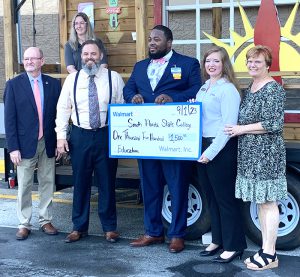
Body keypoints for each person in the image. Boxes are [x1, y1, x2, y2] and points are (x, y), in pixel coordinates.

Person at [123, 25, 201, 253]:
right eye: (149, 39)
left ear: (169, 42)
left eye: (157, 39)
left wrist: (173, 97)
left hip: (173, 139)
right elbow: (128, 90)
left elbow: (197, 89)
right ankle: (153, 232)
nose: (152, 43)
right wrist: (133, 97)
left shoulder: (188, 64)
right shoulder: (139, 67)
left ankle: (177, 235)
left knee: (177, 186)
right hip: (147, 139)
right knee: (149, 187)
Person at [224, 45, 287, 270]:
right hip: (251, 154)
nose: (252, 64)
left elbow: (274, 124)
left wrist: (241, 129)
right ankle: (264, 249)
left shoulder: (273, 89)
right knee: (261, 203)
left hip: (266, 154)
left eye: (257, 62)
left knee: (268, 203)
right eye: (250, 61)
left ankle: (270, 255)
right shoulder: (251, 86)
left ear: (268, 65)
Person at [56, 39, 124, 243]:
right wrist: (61, 136)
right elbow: (63, 108)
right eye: (85, 54)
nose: (89, 58)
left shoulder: (114, 78)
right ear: (80, 57)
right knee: (80, 183)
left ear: (101, 56)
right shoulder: (72, 79)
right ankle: (79, 227)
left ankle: (109, 228)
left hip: (105, 134)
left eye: (93, 54)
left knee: (107, 183)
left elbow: (122, 107)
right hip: (80, 135)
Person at [195, 46, 247, 263]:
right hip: (204, 147)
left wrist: (211, 153)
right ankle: (217, 240)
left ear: (224, 64)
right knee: (211, 199)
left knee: (225, 200)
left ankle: (234, 245)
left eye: (216, 61)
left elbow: (228, 126)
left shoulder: (228, 90)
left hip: (221, 150)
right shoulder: (204, 87)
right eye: (208, 61)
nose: (211, 65)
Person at [4, 47, 61, 240]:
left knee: (47, 181)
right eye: (26, 59)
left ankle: (46, 220)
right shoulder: (13, 85)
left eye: (33, 58)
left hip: (48, 141)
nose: (28, 62)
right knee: (25, 184)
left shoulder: (53, 84)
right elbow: (9, 119)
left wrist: (59, 140)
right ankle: (24, 223)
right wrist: (13, 148)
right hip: (24, 143)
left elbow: (58, 115)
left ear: (42, 61)